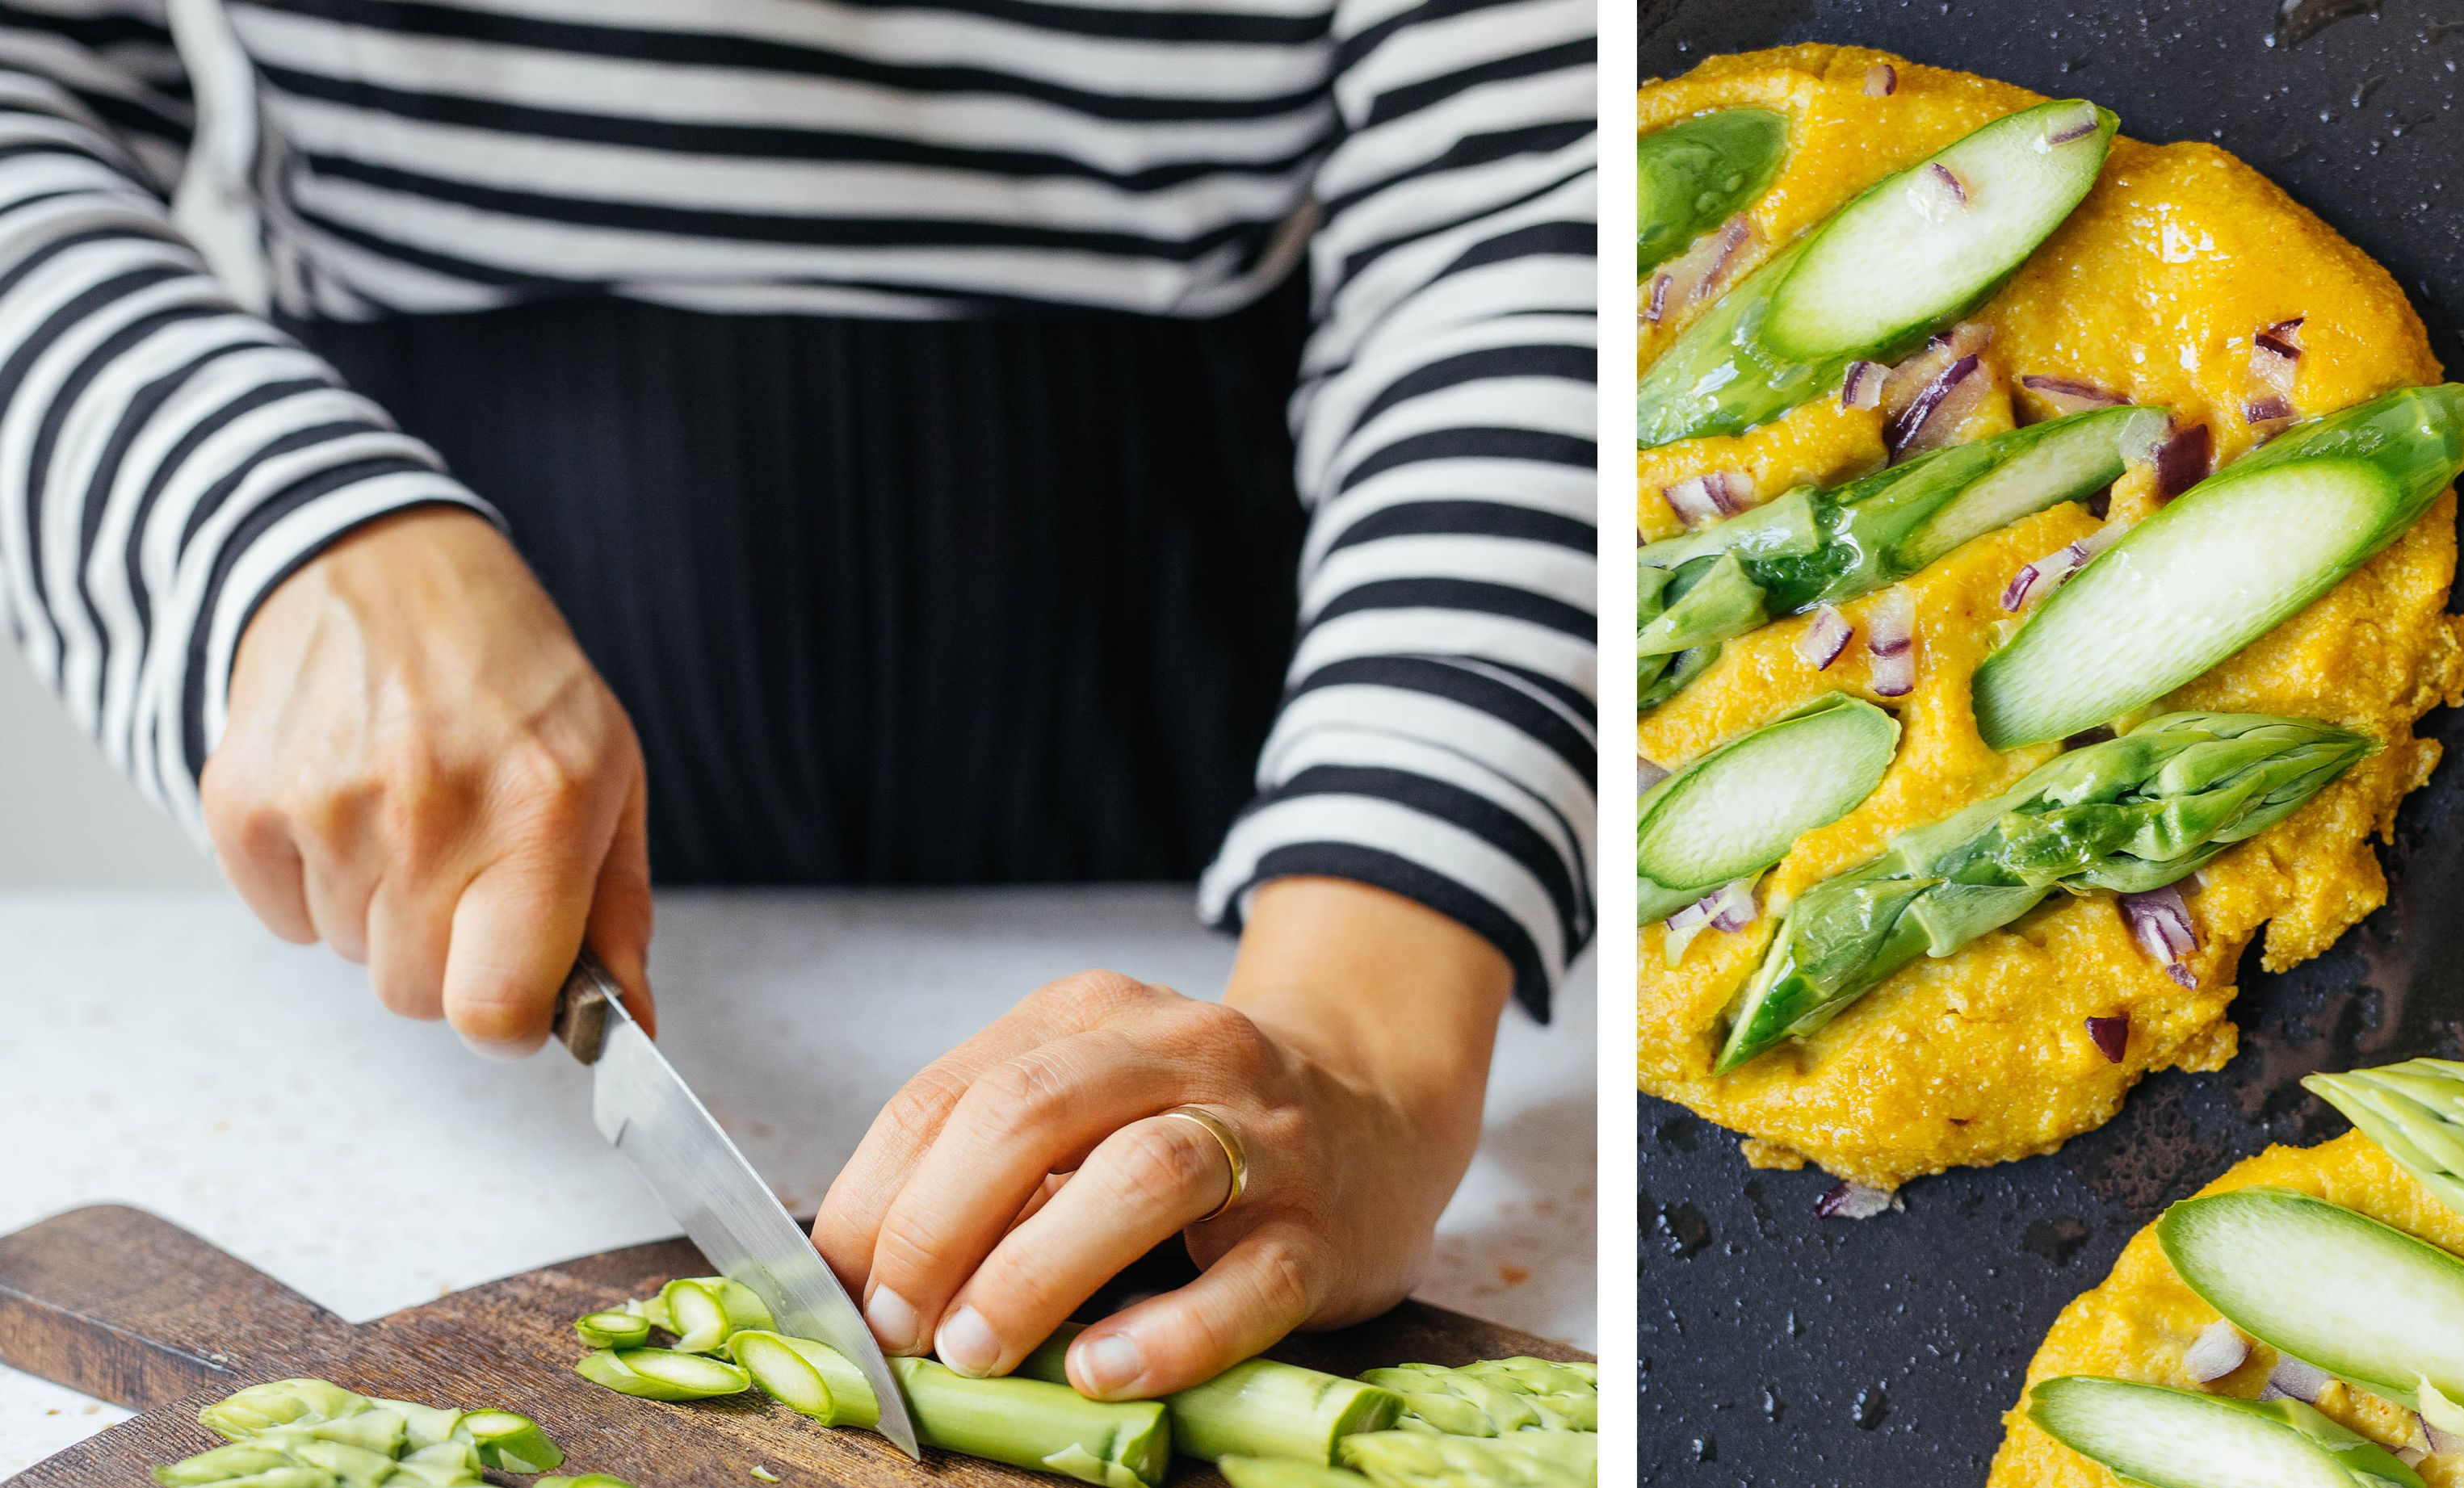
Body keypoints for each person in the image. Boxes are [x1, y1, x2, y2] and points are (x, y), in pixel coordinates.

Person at [0, 0, 1594, 1396]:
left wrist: (1364, 1026)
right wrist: (266, 526)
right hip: (409, 671)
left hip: (1231, 706)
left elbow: (1527, 204)